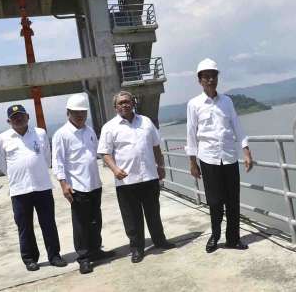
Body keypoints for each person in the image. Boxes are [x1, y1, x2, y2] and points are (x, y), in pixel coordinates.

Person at [97, 91, 175, 263]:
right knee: (132, 217)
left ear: (133, 103)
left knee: (153, 212)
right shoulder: (109, 127)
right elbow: (105, 153)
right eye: (121, 103)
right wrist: (115, 170)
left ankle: (160, 240)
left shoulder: (146, 122)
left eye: (127, 101)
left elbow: (156, 146)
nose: (125, 105)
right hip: (126, 180)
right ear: (115, 107)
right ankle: (137, 248)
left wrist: (160, 166)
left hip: (149, 176)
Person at [186, 58, 254, 253]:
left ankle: (233, 238)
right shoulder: (194, 104)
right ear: (200, 80)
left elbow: (237, 127)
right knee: (215, 202)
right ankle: (215, 236)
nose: (210, 80)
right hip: (208, 159)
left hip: (230, 157)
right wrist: (192, 162)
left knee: (233, 200)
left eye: (213, 76)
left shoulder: (227, 101)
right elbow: (191, 134)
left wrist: (246, 150)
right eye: (206, 77)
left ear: (217, 78)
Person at [0, 104, 67, 271]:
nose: (18, 119)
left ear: (28, 116)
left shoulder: (40, 133)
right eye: (14, 117)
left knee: (48, 223)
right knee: (24, 226)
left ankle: (54, 256)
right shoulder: (2, 138)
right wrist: (18, 175)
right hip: (19, 190)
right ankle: (30, 259)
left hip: (42, 187)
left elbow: (47, 158)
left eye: (21, 115)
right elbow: (2, 165)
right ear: (8, 120)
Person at [52, 93, 112, 274]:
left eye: (83, 113)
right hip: (77, 186)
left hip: (94, 183)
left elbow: (96, 153)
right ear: (68, 113)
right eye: (76, 113)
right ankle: (84, 257)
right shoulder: (61, 134)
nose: (80, 116)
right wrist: (63, 184)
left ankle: (95, 250)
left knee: (96, 220)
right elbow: (58, 161)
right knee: (81, 224)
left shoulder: (89, 130)